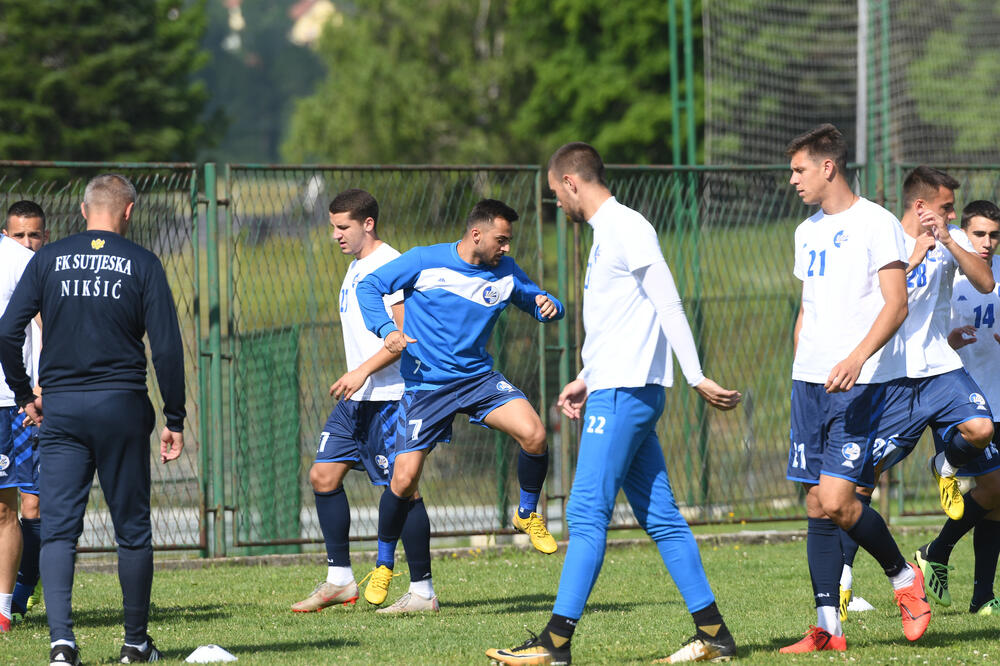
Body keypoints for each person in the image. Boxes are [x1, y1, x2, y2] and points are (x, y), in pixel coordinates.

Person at [486, 142, 742, 665]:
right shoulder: (606, 235)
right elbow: (623, 322)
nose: (557, 202)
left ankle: (554, 644)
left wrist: (695, 376)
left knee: (584, 512)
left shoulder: (627, 227)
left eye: (557, 192)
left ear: (573, 183)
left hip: (626, 394)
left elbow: (667, 302)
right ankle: (714, 633)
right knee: (663, 519)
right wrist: (585, 377)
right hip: (615, 386)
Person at [0, 174, 186, 665]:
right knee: (132, 529)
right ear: (128, 212)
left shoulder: (47, 259)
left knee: (60, 530)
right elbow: (166, 347)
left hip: (60, 407)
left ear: (83, 212)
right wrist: (175, 416)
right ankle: (134, 643)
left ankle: (62, 645)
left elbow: (6, 332)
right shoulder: (143, 263)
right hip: (122, 405)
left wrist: (25, 394)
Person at [355, 198, 564, 607]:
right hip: (426, 387)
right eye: (501, 240)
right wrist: (385, 330)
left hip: (478, 379)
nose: (506, 248)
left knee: (535, 434)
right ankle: (383, 564)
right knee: (403, 481)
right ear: (476, 234)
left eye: (508, 241)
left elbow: (535, 300)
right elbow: (369, 286)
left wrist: (549, 306)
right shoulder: (423, 260)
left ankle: (526, 513)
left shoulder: (505, 271)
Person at [780, 124, 931, 653]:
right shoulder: (806, 231)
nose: (792, 179)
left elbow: (897, 304)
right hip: (809, 382)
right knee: (817, 504)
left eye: (799, 169)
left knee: (842, 500)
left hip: (860, 382)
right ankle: (829, 630)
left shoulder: (877, 223)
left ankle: (903, 580)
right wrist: (801, 361)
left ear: (828, 167)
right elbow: (808, 308)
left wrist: (856, 357)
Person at [836, 169, 996, 620]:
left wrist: (947, 240)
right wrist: (914, 256)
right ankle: (842, 582)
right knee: (859, 483)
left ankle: (946, 463)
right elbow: (869, 301)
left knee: (980, 429)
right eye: (945, 207)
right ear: (920, 207)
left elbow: (985, 282)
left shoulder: (952, 237)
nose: (952, 215)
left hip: (942, 371)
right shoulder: (881, 235)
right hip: (893, 380)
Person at [291, 188, 438, 614]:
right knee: (323, 476)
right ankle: (339, 581)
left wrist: (361, 372)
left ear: (367, 224)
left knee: (404, 490)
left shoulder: (390, 264)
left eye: (343, 227)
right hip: (359, 399)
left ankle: (423, 592)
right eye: (333, 227)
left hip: (390, 398)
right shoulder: (356, 266)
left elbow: (402, 337)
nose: (335, 235)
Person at [913, 200, 1000, 615]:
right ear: (964, 232)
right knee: (997, 488)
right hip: (963, 404)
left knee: (998, 500)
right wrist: (950, 341)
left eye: (994, 235)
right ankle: (934, 550)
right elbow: (926, 333)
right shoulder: (947, 270)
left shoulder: (995, 275)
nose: (986, 242)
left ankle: (981, 593)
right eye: (979, 234)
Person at [2, 201, 48, 622]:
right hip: (13, 398)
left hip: (31, 404)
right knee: (7, 507)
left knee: (33, 505)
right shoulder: (14, 270)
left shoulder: (41, 273)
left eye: (35, 235)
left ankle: (23, 590)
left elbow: (48, 328)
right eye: (20, 235)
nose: (28, 243)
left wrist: (42, 385)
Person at [0, 227, 35, 633]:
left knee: (4, 508)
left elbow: (45, 323)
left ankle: (3, 609)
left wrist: (39, 383)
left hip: (5, 401)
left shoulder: (18, 260)